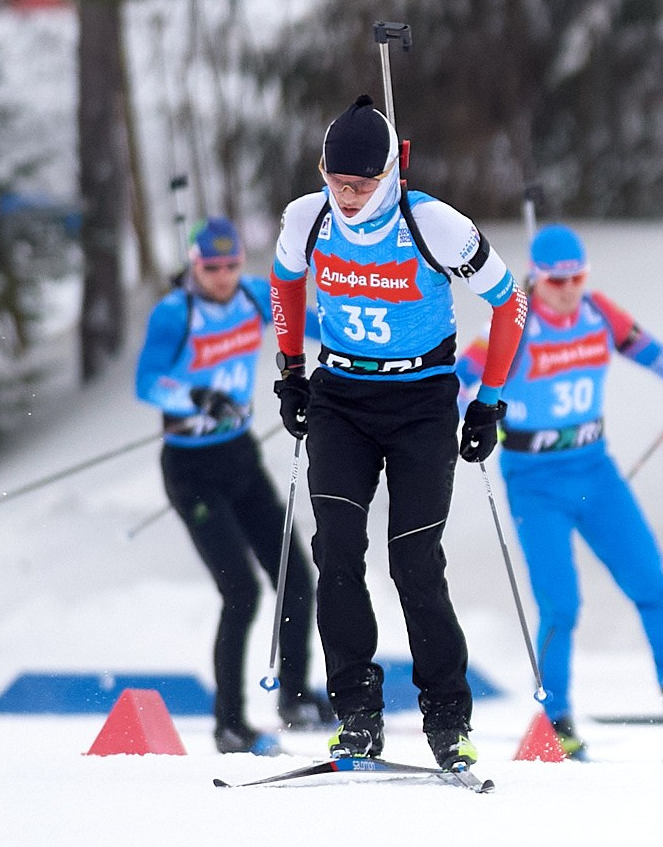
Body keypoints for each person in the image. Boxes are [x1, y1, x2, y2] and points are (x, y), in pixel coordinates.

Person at [267, 95, 525, 773]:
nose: (347, 198)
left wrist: (489, 401)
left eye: (362, 184)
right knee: (338, 551)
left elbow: (510, 301)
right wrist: (291, 368)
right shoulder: (308, 216)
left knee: (414, 562)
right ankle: (356, 715)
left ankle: (447, 720)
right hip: (342, 401)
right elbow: (285, 282)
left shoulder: (431, 222)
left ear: (391, 173)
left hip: (421, 404)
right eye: (336, 180)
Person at [454, 222, 663, 758]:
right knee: (562, 605)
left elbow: (644, 347)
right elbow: (461, 378)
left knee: (651, 580)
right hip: (534, 480)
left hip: (595, 471)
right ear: (536, 279)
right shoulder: (516, 322)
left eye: (577, 276)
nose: (569, 288)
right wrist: (472, 415)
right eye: (557, 280)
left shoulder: (598, 312)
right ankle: (556, 718)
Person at [133, 214, 330, 753]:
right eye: (210, 267)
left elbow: (312, 324)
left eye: (231, 265)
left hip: (239, 458)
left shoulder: (253, 298)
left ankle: (294, 697)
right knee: (239, 591)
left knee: (294, 574)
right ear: (195, 266)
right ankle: (229, 724)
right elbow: (147, 382)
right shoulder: (177, 313)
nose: (221, 277)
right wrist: (194, 397)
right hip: (191, 470)